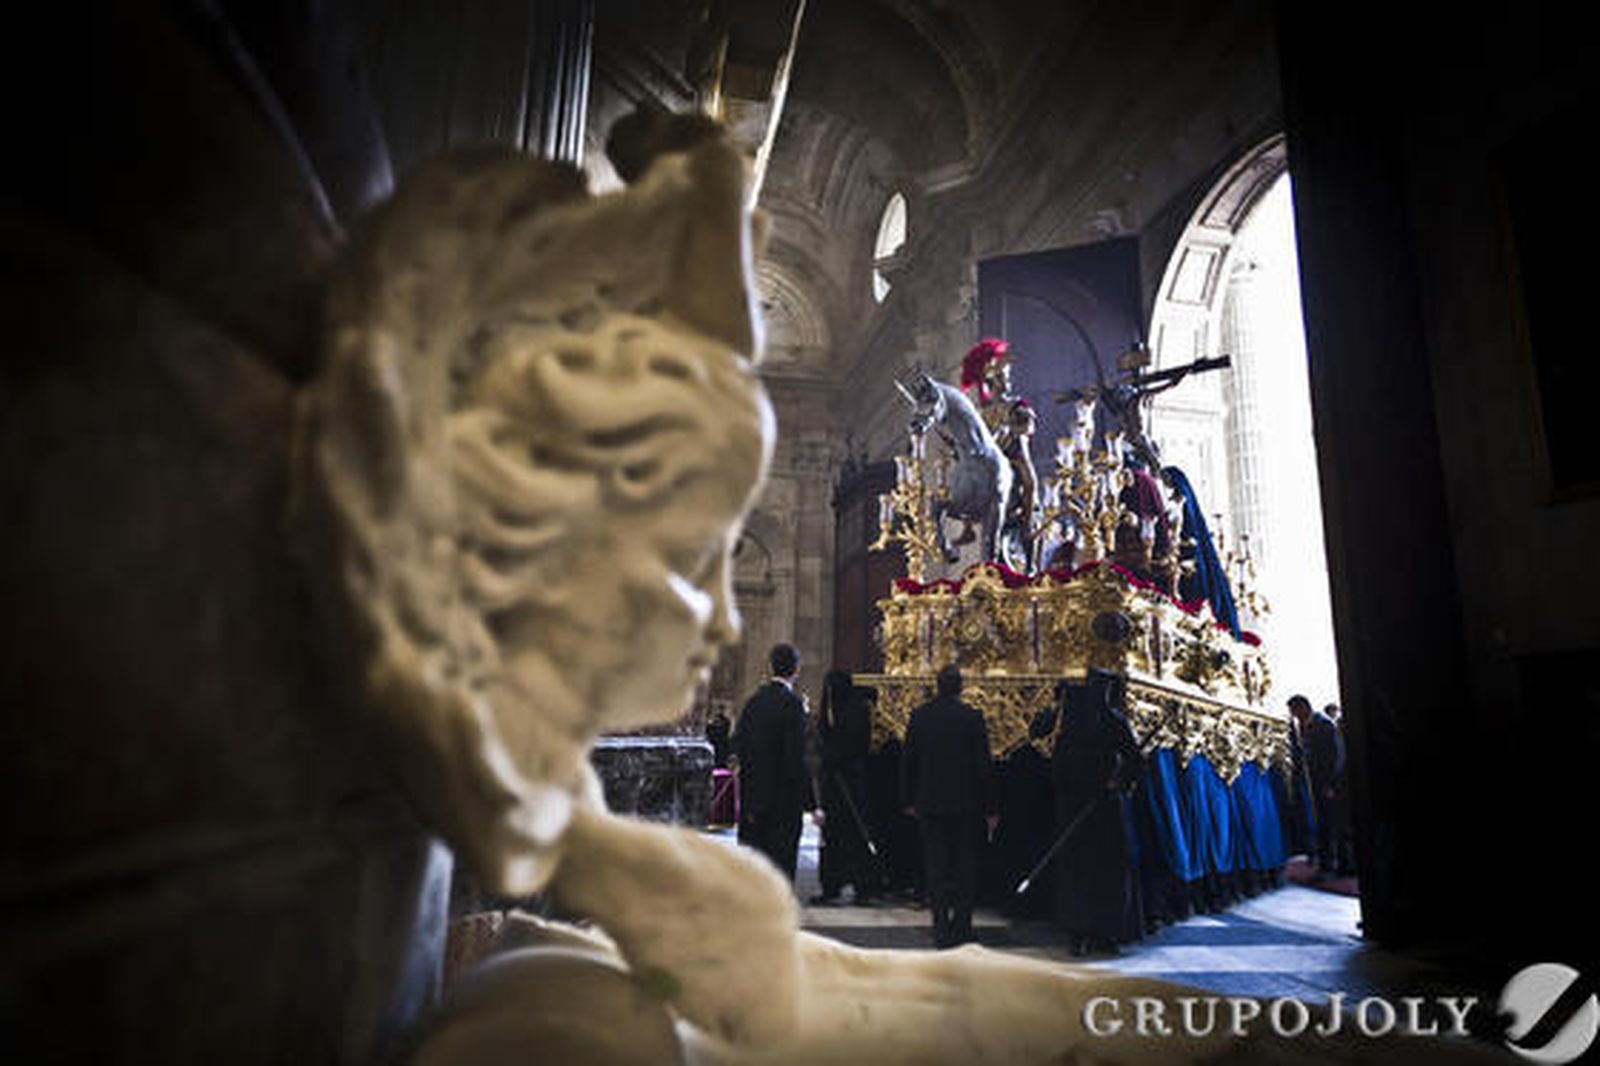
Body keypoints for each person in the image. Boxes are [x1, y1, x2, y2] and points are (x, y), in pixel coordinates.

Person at [1031, 669, 1144, 955]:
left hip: (1104, 804)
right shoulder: (1070, 720)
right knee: (1078, 869)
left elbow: (1134, 759)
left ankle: (1106, 931)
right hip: (1076, 804)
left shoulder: (1111, 720)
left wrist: (1118, 781)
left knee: (1103, 869)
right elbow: (1043, 741)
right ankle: (1080, 932)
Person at [901, 664, 998, 948]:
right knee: (965, 867)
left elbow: (909, 762)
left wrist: (907, 799)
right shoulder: (972, 717)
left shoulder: (920, 716)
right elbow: (984, 766)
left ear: (937, 685)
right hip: (966, 804)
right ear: (960, 688)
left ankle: (940, 928)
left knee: (936, 866)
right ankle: (962, 926)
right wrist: (992, 807)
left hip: (929, 802)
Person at [733, 643, 821, 883]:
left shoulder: (753, 702)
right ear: (797, 669)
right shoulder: (792, 704)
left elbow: (738, 745)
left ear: (770, 667)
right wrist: (812, 805)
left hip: (753, 799)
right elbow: (796, 758)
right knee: (781, 864)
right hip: (783, 801)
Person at [812, 671, 880, 904]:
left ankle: (863, 887)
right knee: (832, 837)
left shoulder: (856, 710)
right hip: (835, 782)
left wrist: (834, 755)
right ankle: (832, 885)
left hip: (852, 782)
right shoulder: (836, 710)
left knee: (856, 835)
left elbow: (857, 743)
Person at [1288, 695, 1345, 876]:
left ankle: (1335, 864)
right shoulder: (1306, 726)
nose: (1295, 717)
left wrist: (1330, 784)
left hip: (1327, 783)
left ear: (1303, 708)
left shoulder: (1324, 724)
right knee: (1322, 823)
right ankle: (1325, 863)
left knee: (1331, 824)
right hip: (1315, 782)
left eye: (1296, 712)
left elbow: (1335, 756)